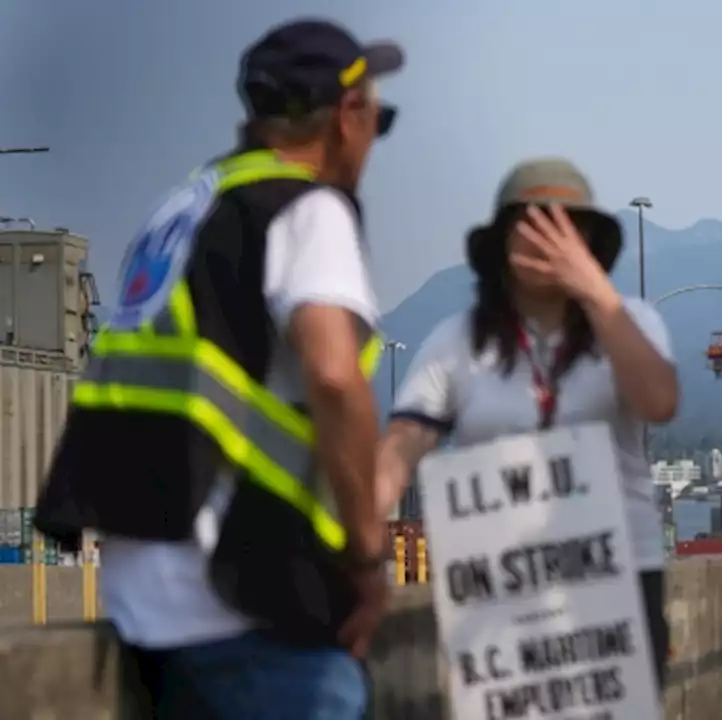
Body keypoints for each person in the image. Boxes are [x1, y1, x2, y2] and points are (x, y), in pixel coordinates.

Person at [33, 18, 404, 718]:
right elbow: (332, 373)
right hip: (244, 594)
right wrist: (365, 556)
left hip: (144, 598)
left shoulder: (182, 207)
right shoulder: (305, 208)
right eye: (379, 117)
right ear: (348, 117)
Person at [375, 157, 679, 688]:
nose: (546, 238)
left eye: (564, 226)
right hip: (499, 591)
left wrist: (596, 295)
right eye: (529, 222)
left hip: (617, 582)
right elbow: (403, 445)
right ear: (501, 243)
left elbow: (659, 401)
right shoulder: (457, 341)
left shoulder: (633, 324)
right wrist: (355, 535)